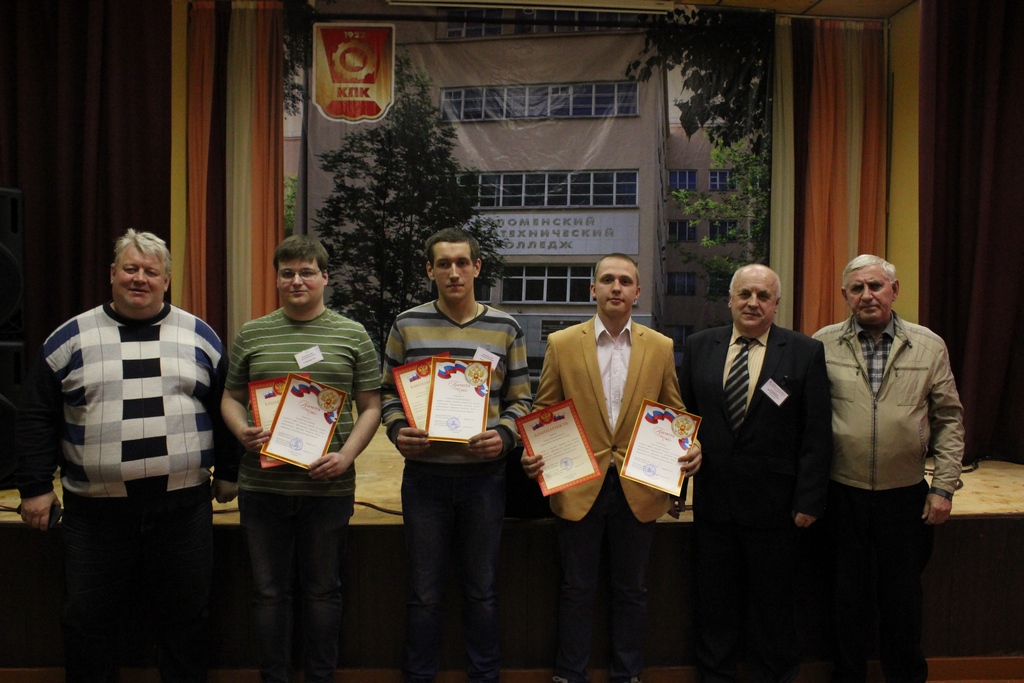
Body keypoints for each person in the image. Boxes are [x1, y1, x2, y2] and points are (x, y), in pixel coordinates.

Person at [15, 229, 237, 682]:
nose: (140, 278)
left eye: (151, 272)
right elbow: (35, 415)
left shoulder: (200, 335)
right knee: (87, 621)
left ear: (166, 280)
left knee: (187, 618)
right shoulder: (69, 337)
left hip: (182, 511)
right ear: (112, 274)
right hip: (95, 515)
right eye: (130, 269)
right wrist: (35, 487)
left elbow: (226, 407)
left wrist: (230, 471)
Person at [521, 253, 702, 683]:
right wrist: (533, 450)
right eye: (607, 280)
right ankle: (570, 674)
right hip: (577, 482)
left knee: (632, 591)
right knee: (576, 589)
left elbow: (674, 411)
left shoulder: (660, 346)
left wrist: (692, 443)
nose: (616, 287)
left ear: (637, 291)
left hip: (639, 485)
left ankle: (628, 675)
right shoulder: (563, 343)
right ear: (593, 290)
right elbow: (545, 409)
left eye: (624, 281)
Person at [220, 235, 382, 683]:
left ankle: (320, 677)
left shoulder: (352, 334)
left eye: (307, 272)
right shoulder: (252, 333)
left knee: (323, 592)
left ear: (325, 277)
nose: (297, 280)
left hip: (328, 488)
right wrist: (241, 430)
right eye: (287, 272)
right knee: (268, 594)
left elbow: (371, 406)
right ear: (276, 279)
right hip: (262, 488)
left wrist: (346, 456)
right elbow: (230, 398)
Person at [380, 227, 533, 683]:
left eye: (462, 262)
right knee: (424, 594)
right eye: (443, 264)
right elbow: (388, 394)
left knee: (482, 591)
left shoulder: (505, 328)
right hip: (424, 479)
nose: (454, 272)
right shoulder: (406, 325)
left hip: (484, 480)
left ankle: (485, 676)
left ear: (477, 268)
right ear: (430, 270)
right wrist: (398, 431)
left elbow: (522, 401)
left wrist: (504, 436)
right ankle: (419, 676)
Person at [678, 263, 833, 683]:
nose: (753, 303)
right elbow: (682, 418)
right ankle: (716, 676)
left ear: (776, 303)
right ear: (730, 299)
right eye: (745, 294)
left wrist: (809, 499)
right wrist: (677, 477)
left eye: (763, 296)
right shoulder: (700, 346)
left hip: (776, 509)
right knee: (715, 604)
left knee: (773, 607)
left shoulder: (804, 351)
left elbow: (817, 433)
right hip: (714, 504)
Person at [813, 255, 964, 683]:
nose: (867, 295)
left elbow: (949, 419)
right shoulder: (822, 344)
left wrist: (943, 488)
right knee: (845, 599)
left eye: (876, 286)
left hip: (905, 497)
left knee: (903, 600)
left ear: (894, 291)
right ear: (845, 296)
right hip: (842, 494)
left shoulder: (929, 345)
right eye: (857, 288)